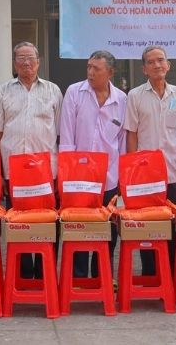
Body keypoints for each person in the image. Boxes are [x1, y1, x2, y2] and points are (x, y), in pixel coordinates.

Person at [0, 41, 62, 279]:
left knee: (45, 224)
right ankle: (21, 275)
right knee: (18, 224)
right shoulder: (2, 92)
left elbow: (61, 132)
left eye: (30, 58)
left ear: (39, 61)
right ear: (14, 63)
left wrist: (60, 170)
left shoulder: (53, 91)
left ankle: (45, 274)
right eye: (20, 58)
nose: (26, 63)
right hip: (14, 171)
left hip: (45, 171)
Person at [59, 50, 126, 279]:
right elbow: (66, 136)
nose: (90, 72)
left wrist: (121, 177)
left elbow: (123, 142)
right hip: (79, 177)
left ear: (110, 72)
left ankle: (102, 275)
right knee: (79, 226)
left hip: (109, 175)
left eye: (96, 69)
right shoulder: (74, 93)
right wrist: (67, 174)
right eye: (88, 67)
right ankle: (78, 277)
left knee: (108, 227)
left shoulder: (122, 100)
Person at [124, 46, 176, 276]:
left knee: (172, 227)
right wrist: (131, 173)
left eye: (161, 60)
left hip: (172, 172)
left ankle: (171, 275)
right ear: (144, 69)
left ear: (168, 65)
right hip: (145, 176)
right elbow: (132, 134)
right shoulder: (135, 96)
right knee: (148, 228)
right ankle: (151, 275)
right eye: (151, 62)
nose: (157, 65)